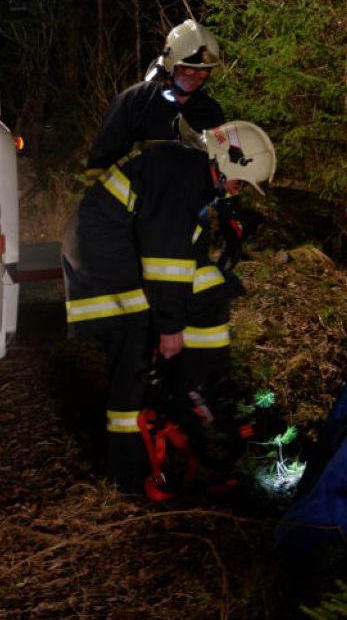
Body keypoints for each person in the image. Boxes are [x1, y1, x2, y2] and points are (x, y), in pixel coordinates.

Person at [62, 120, 275, 494]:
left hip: (113, 251)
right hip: (103, 264)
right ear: (228, 160)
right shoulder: (182, 174)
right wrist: (170, 328)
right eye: (239, 183)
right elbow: (167, 262)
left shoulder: (188, 170)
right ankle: (127, 478)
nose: (235, 192)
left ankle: (199, 384)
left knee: (210, 286)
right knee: (136, 355)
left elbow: (190, 261)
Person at [86, 19, 225, 173]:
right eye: (188, 68)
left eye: (203, 70)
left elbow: (220, 175)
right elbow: (100, 165)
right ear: (170, 64)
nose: (195, 76)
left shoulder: (211, 113)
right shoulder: (134, 102)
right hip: (135, 196)